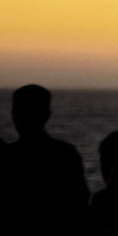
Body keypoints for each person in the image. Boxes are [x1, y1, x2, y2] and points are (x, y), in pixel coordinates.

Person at [0, 84, 89, 234]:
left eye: (30, 111)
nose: (23, 117)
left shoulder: (7, 156)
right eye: (21, 111)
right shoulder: (66, 153)